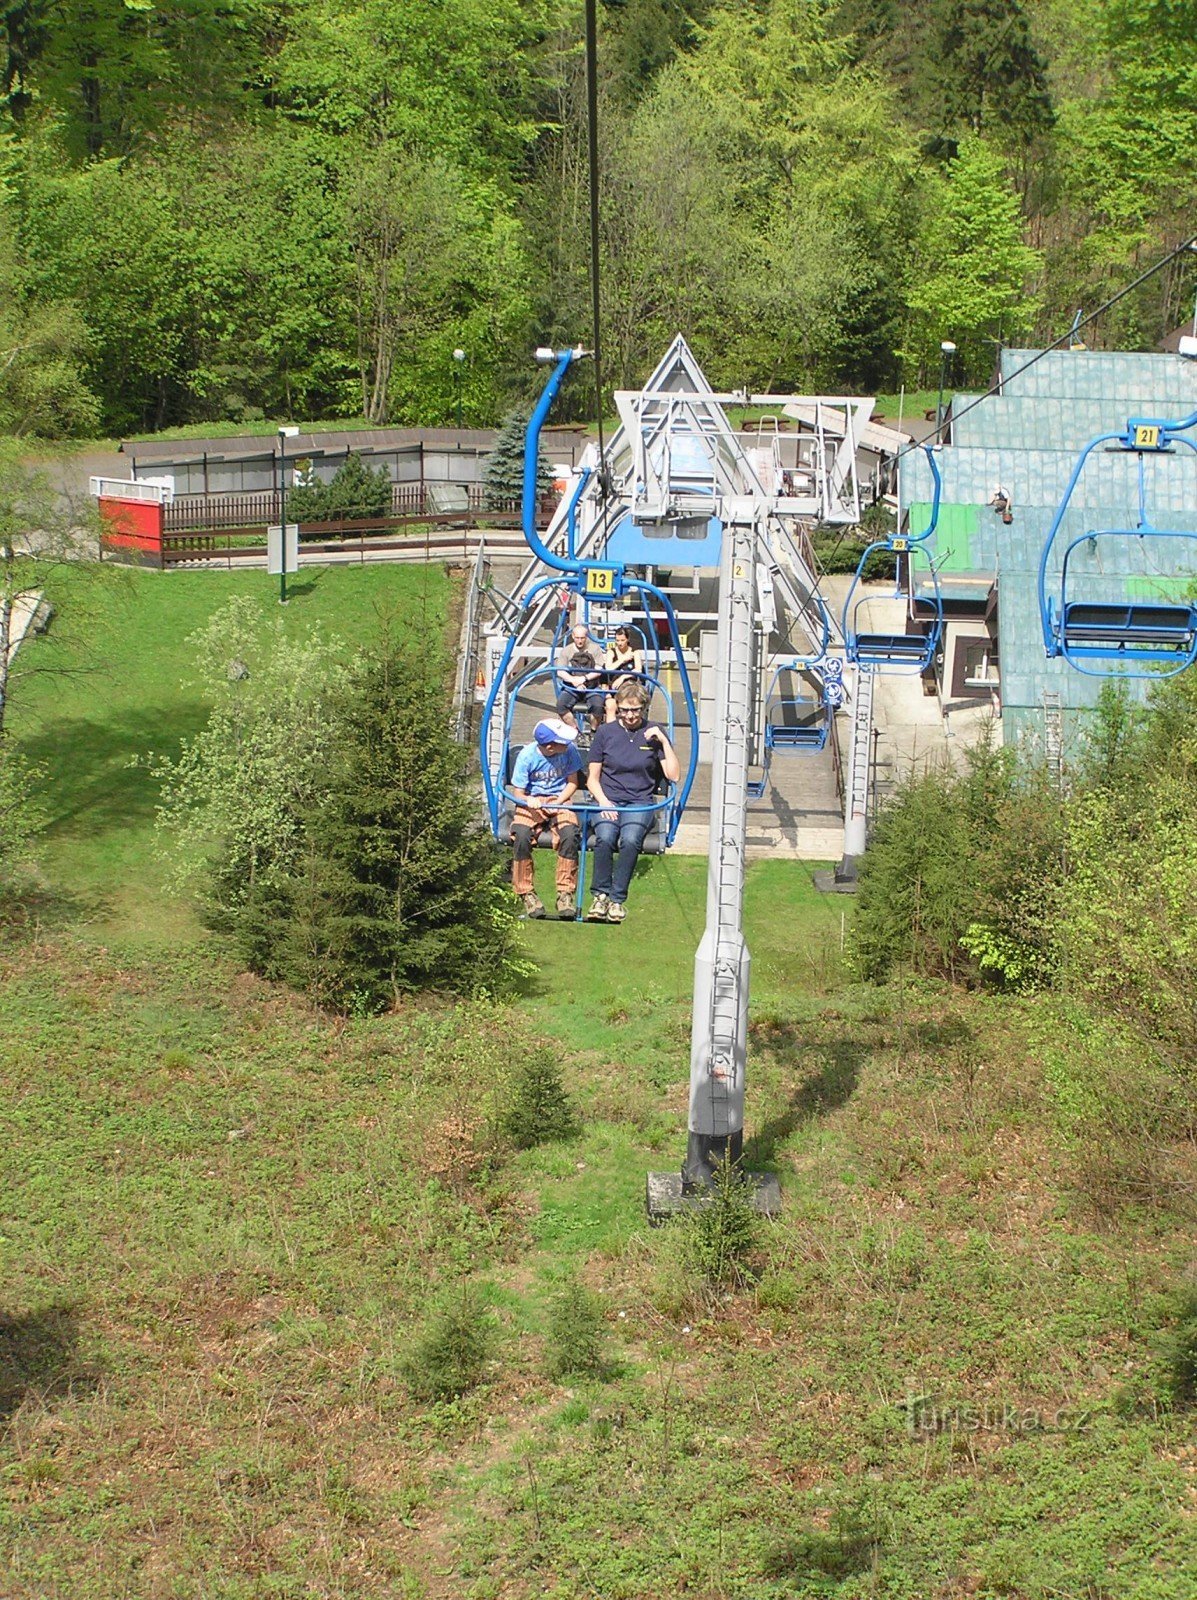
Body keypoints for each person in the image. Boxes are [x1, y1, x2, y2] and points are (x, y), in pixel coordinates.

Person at [585, 682, 680, 924]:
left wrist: (664, 742)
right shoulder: (606, 733)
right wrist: (605, 802)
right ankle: (600, 895)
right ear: (617, 709)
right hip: (609, 799)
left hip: (639, 802)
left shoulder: (653, 732)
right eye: (624, 710)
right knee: (604, 838)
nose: (629, 715)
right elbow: (592, 779)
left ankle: (617, 900)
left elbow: (673, 775)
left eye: (635, 710)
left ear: (643, 709)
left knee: (629, 840)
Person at [510, 717, 584, 920]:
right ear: (550, 746)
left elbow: (572, 782)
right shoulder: (527, 757)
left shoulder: (569, 751)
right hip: (532, 801)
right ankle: (525, 891)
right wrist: (529, 800)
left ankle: (565, 891)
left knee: (569, 834)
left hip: (559, 799)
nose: (567, 744)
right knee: (522, 835)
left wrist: (560, 800)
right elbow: (518, 793)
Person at [555, 623, 606, 730]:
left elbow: (598, 669)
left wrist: (584, 679)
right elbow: (560, 671)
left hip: (591, 687)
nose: (580, 641)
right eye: (577, 638)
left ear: (586, 637)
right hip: (572, 687)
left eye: (582, 638)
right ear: (573, 636)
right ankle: (575, 730)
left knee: (598, 706)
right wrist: (573, 680)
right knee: (560, 705)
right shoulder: (567, 651)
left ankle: (593, 730)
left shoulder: (595, 649)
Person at [603, 625, 645, 722]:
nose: (620, 643)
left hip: (630, 688)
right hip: (614, 689)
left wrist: (623, 677)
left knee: (631, 704)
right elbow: (608, 668)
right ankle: (611, 733)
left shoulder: (634, 652)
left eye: (622, 640)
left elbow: (638, 669)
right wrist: (622, 660)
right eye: (617, 640)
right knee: (610, 706)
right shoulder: (612, 652)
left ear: (627, 639)